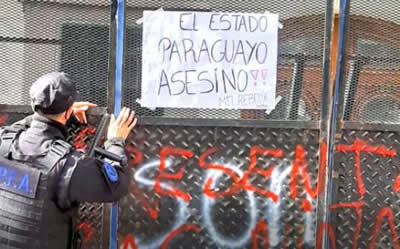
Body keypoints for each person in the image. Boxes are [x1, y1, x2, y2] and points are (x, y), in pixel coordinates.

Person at [0, 72, 137, 249]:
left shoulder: (4, 140)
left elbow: (19, 127)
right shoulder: (66, 164)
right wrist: (115, 141)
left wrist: (59, 113)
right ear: (67, 112)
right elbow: (115, 184)